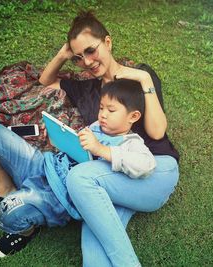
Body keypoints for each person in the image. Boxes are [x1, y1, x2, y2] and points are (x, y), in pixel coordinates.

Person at [38, 11, 180, 267]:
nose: (87, 62)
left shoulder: (139, 77)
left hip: (154, 169)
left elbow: (157, 132)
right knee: (93, 252)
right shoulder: (87, 89)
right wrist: (63, 54)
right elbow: (45, 81)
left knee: (79, 178)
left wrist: (145, 79)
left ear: (108, 42)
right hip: (116, 176)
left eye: (91, 51)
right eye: (79, 58)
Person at [0, 78, 156, 258]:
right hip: (46, 167)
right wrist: (59, 139)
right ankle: (10, 189)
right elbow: (76, 151)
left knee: (10, 209)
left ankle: (25, 231)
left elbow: (146, 165)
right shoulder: (97, 126)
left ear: (133, 116)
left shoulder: (132, 143)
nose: (103, 114)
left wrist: (101, 150)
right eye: (101, 108)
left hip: (60, 195)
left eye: (111, 110)